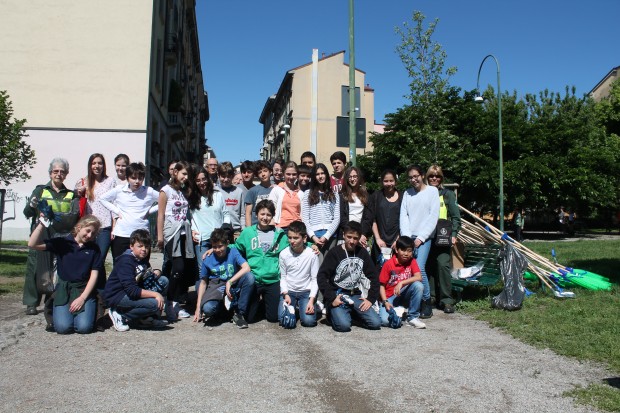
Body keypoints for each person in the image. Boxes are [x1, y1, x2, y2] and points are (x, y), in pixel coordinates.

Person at [22, 158, 79, 316]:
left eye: (62, 171)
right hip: (40, 235)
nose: (59, 174)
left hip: (59, 237)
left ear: (66, 174)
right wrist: (32, 205)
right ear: (50, 173)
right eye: (56, 171)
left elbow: (74, 216)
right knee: (34, 268)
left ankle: (50, 299)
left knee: (55, 269)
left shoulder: (70, 195)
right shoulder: (40, 191)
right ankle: (31, 302)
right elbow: (27, 213)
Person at [28, 214, 102, 334]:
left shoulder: (94, 249)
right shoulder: (63, 243)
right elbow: (32, 244)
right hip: (64, 289)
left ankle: (86, 311)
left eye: (93, 234)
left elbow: (94, 275)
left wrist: (82, 298)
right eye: (88, 231)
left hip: (83, 289)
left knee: (83, 327)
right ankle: (62, 311)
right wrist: (42, 224)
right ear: (79, 227)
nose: (89, 236)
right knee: (63, 328)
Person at [317, 221, 381, 333]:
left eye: (355, 238)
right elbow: (321, 277)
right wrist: (331, 298)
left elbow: (374, 277)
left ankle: (351, 312)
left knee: (375, 323)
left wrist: (370, 299)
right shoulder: (334, 253)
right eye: (349, 237)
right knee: (344, 326)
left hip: (354, 294)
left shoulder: (362, 253)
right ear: (343, 235)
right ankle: (332, 311)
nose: (351, 241)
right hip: (338, 294)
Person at [104, 229, 169, 331]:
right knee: (154, 304)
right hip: (118, 295)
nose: (144, 249)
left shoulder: (142, 260)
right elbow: (132, 290)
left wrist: (157, 272)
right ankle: (121, 315)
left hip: (131, 292)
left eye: (146, 247)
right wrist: (156, 295)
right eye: (140, 246)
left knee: (163, 281)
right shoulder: (126, 261)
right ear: (131, 246)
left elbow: (144, 279)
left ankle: (145, 317)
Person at [235, 199, 289, 323]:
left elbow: (293, 245)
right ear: (257, 214)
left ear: (272, 216)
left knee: (273, 318)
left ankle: (266, 301)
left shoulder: (279, 234)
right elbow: (236, 249)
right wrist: (217, 250)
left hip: (273, 279)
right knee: (249, 318)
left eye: (268, 215)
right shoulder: (248, 232)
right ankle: (255, 304)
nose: (265, 217)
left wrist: (310, 245)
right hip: (255, 279)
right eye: (262, 214)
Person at [400, 165, 439, 319]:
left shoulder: (432, 192)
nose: (413, 179)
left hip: (424, 237)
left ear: (422, 175)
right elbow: (404, 216)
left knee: (419, 267)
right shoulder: (407, 194)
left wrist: (421, 238)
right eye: (410, 177)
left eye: (416, 176)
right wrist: (407, 237)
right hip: (409, 237)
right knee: (409, 268)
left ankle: (426, 300)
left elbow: (433, 216)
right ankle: (412, 300)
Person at [157, 160, 195, 320]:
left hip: (184, 233)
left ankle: (177, 303)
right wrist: (160, 237)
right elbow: (160, 214)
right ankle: (169, 301)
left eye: (188, 175)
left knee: (184, 269)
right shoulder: (165, 191)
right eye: (184, 174)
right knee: (177, 267)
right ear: (175, 173)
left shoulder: (184, 192)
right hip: (171, 233)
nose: (186, 177)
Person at [193, 228, 254, 328]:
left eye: (220, 246)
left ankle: (239, 312)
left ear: (227, 243)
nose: (217, 250)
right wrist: (198, 307)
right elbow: (203, 283)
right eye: (214, 247)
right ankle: (225, 311)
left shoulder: (233, 252)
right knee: (208, 308)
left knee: (249, 277)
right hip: (216, 287)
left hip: (232, 284)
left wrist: (230, 282)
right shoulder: (207, 258)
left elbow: (246, 268)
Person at [99, 162, 159, 261]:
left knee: (141, 266)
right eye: (133, 178)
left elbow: (166, 200)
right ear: (127, 178)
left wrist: (150, 211)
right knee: (119, 264)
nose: (137, 181)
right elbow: (102, 199)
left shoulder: (148, 191)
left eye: (140, 178)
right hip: (122, 233)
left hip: (141, 233)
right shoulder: (119, 190)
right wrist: (117, 211)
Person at [425, 165, 460, 314]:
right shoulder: (424, 193)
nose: (434, 178)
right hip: (426, 235)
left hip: (443, 236)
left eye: (437, 176)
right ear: (427, 177)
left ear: (441, 178)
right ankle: (432, 296)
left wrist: (454, 235)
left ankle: (446, 300)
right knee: (429, 267)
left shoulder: (448, 194)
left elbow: (456, 217)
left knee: (443, 265)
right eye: (431, 176)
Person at [74, 153, 116, 267]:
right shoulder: (83, 181)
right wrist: (79, 192)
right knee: (87, 257)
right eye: (94, 163)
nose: (97, 166)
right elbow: (75, 202)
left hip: (104, 226)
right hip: (88, 226)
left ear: (104, 165)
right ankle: (87, 283)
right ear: (90, 165)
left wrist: (114, 227)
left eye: (100, 163)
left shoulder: (110, 181)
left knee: (100, 258)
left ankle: (98, 284)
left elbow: (114, 205)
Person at [188, 167, 230, 274]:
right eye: (198, 180)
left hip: (218, 239)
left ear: (208, 179)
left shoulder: (218, 195)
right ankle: (203, 290)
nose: (202, 183)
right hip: (202, 240)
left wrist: (224, 232)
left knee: (220, 269)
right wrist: (192, 230)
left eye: (204, 179)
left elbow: (226, 214)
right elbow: (189, 218)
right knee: (203, 270)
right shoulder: (192, 198)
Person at [279, 221, 320, 328]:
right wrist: (285, 294)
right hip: (290, 291)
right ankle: (296, 308)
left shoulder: (312, 254)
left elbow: (314, 279)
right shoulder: (284, 254)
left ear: (304, 238)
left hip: (305, 292)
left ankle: (309, 305)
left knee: (309, 322)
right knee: (282, 320)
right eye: (290, 237)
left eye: (296, 238)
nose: (292, 241)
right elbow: (283, 277)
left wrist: (311, 300)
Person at [379, 236, 426, 328]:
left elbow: (419, 277)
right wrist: (385, 302)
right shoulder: (388, 264)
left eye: (409, 251)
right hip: (390, 296)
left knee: (418, 285)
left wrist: (402, 282)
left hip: (403, 293)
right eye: (403, 250)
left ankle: (412, 317)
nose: (406, 254)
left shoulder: (412, 261)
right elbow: (381, 286)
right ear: (397, 250)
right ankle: (394, 310)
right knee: (385, 321)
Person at [362, 169, 402, 263]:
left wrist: (398, 240)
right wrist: (378, 239)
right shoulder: (376, 196)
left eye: (391, 181)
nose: (389, 184)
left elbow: (405, 220)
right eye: (386, 181)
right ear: (381, 182)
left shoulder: (403, 197)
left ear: (395, 181)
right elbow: (373, 219)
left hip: (397, 241)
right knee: (378, 270)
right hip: (380, 242)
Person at [301, 163, 340, 254]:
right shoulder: (308, 193)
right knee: (317, 264)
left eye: (322, 173)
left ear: (326, 174)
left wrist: (327, 236)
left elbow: (337, 218)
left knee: (328, 266)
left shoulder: (334, 194)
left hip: (330, 235)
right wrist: (312, 236)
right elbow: (305, 218)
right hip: (314, 235)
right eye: (317, 174)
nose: (320, 176)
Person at [339, 166, 369, 247]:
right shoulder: (342, 196)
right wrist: (351, 232)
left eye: (355, 176)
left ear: (359, 177)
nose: (352, 179)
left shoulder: (365, 195)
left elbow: (367, 217)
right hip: (347, 233)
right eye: (350, 177)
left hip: (361, 234)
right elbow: (342, 217)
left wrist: (362, 233)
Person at [269, 161, 303, 230]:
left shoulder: (300, 193)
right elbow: (270, 208)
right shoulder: (277, 190)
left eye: (294, 174)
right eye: (288, 174)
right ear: (283, 174)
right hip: (281, 227)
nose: (291, 177)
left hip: (297, 228)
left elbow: (303, 213)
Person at [218, 162, 245, 237]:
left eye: (228, 177)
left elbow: (242, 214)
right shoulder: (215, 191)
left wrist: (243, 229)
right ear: (219, 176)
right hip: (220, 230)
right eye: (223, 176)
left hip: (236, 230)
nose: (226, 179)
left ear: (232, 176)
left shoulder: (239, 191)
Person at [244, 160, 273, 227]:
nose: (263, 174)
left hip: (272, 227)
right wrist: (249, 231)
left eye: (265, 171)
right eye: (260, 172)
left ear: (270, 172)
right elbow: (248, 213)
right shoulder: (252, 191)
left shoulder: (276, 189)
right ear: (257, 175)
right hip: (256, 227)